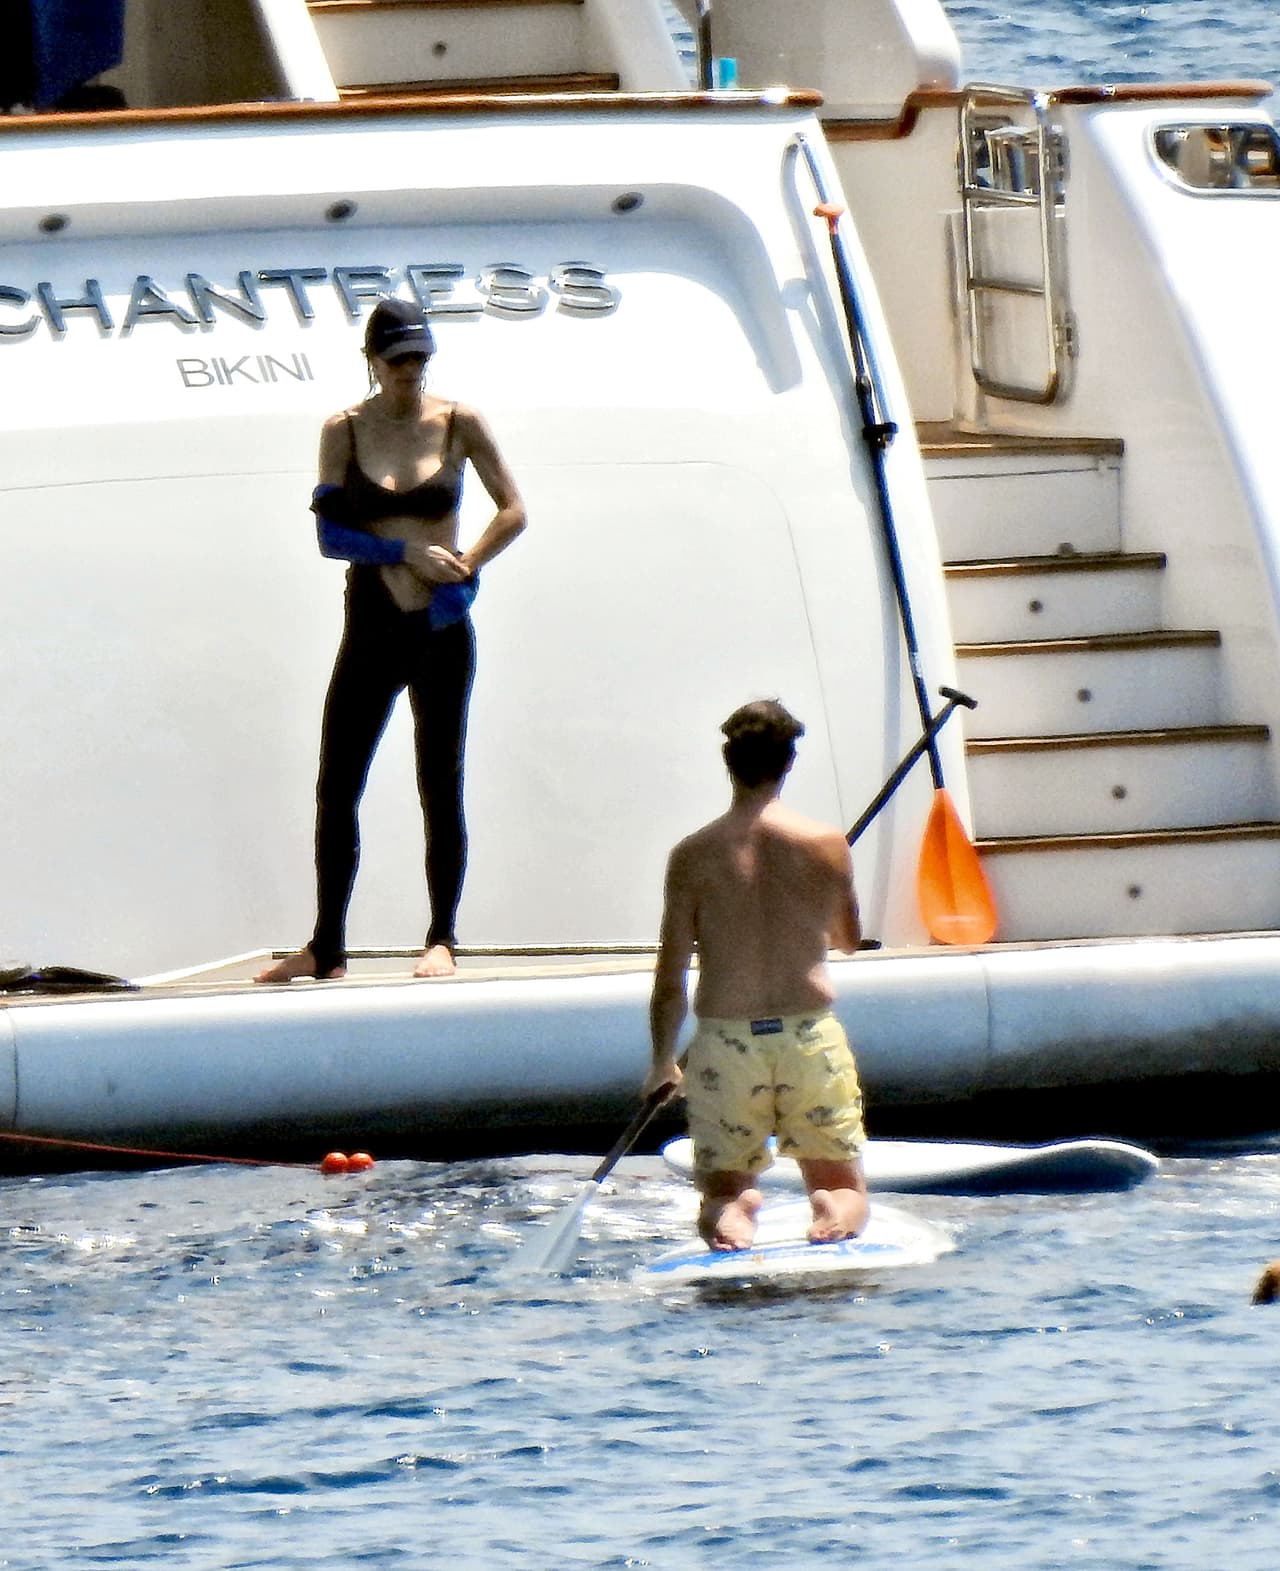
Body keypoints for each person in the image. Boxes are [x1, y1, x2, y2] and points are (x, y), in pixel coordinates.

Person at [257, 297, 526, 984]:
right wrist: (405, 549)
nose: (410, 370)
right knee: (337, 784)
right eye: (397, 359)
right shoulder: (344, 429)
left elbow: (514, 510)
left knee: (440, 781)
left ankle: (442, 936)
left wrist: (469, 560)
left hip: (441, 625)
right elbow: (330, 537)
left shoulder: (459, 421)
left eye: (419, 358)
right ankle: (327, 945)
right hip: (372, 623)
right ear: (372, 362)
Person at [643, 699, 870, 1251]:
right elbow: (848, 940)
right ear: (788, 762)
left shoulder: (692, 856)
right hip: (806, 1035)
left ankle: (734, 1213)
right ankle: (829, 1207)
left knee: (721, 1192)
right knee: (843, 1184)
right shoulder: (824, 844)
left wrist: (661, 1063)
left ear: (730, 762)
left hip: (726, 1042)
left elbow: (670, 975)